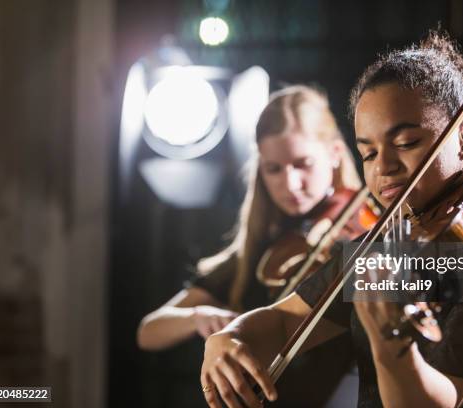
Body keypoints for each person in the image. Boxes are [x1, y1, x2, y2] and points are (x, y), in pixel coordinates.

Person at [200, 32, 463, 408]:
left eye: (406, 143)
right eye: (368, 153)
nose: (383, 167)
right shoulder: (392, 245)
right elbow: (285, 321)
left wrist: (390, 343)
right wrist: (230, 337)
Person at [137, 85, 362, 406]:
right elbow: (148, 331)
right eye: (274, 169)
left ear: (335, 155)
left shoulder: (365, 233)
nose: (290, 183)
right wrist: (197, 317)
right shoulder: (257, 253)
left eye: (303, 163)